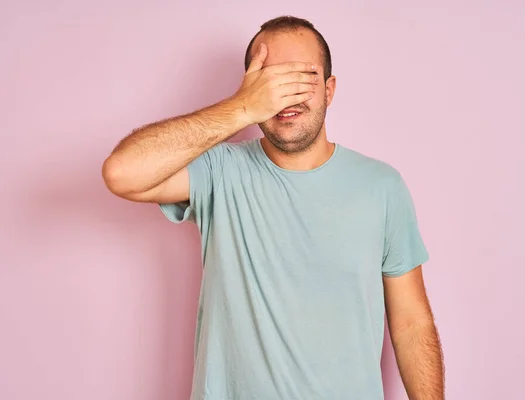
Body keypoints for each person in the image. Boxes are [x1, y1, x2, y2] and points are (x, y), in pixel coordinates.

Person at [102, 15, 444, 400]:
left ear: (329, 90)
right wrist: (242, 108)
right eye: (272, 81)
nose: (286, 96)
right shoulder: (219, 171)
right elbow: (121, 172)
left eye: (303, 79)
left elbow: (412, 322)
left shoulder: (382, 187)